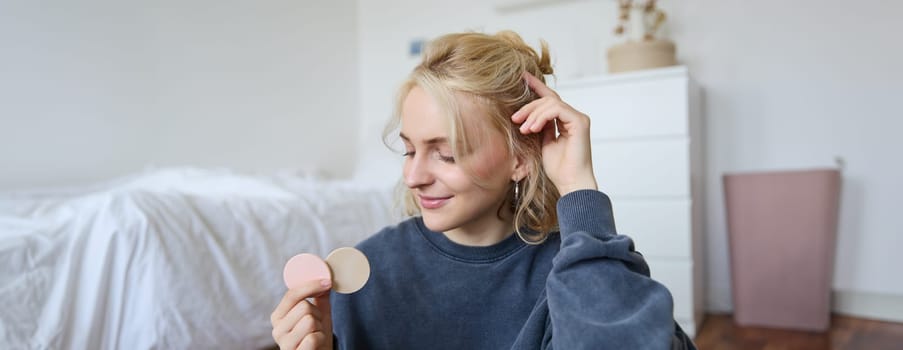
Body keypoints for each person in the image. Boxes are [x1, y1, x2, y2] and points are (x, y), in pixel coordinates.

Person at [270, 30, 696, 350]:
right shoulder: (369, 269)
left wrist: (578, 188)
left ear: (521, 158)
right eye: (409, 150)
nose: (414, 176)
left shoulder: (575, 270)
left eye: (447, 154)